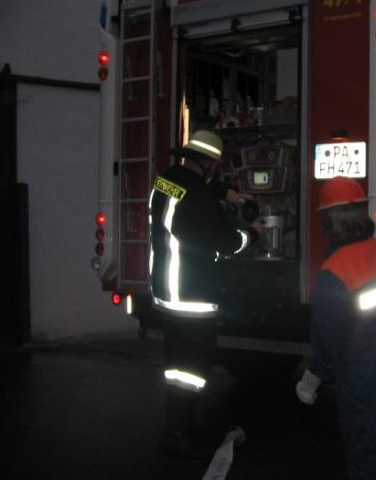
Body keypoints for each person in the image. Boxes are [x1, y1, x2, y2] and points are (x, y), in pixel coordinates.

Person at [149, 129, 262, 456]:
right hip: (192, 294)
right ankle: (177, 433)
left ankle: (179, 425)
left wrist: (226, 193)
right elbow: (226, 242)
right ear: (209, 163)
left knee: (176, 367)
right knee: (194, 369)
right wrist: (253, 234)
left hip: (167, 291)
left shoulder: (166, 182)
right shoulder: (199, 198)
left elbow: (191, 192)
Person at [296, 176, 376, 479]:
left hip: (358, 367)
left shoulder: (334, 268)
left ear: (329, 221)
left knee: (362, 448)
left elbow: (327, 335)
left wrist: (315, 375)